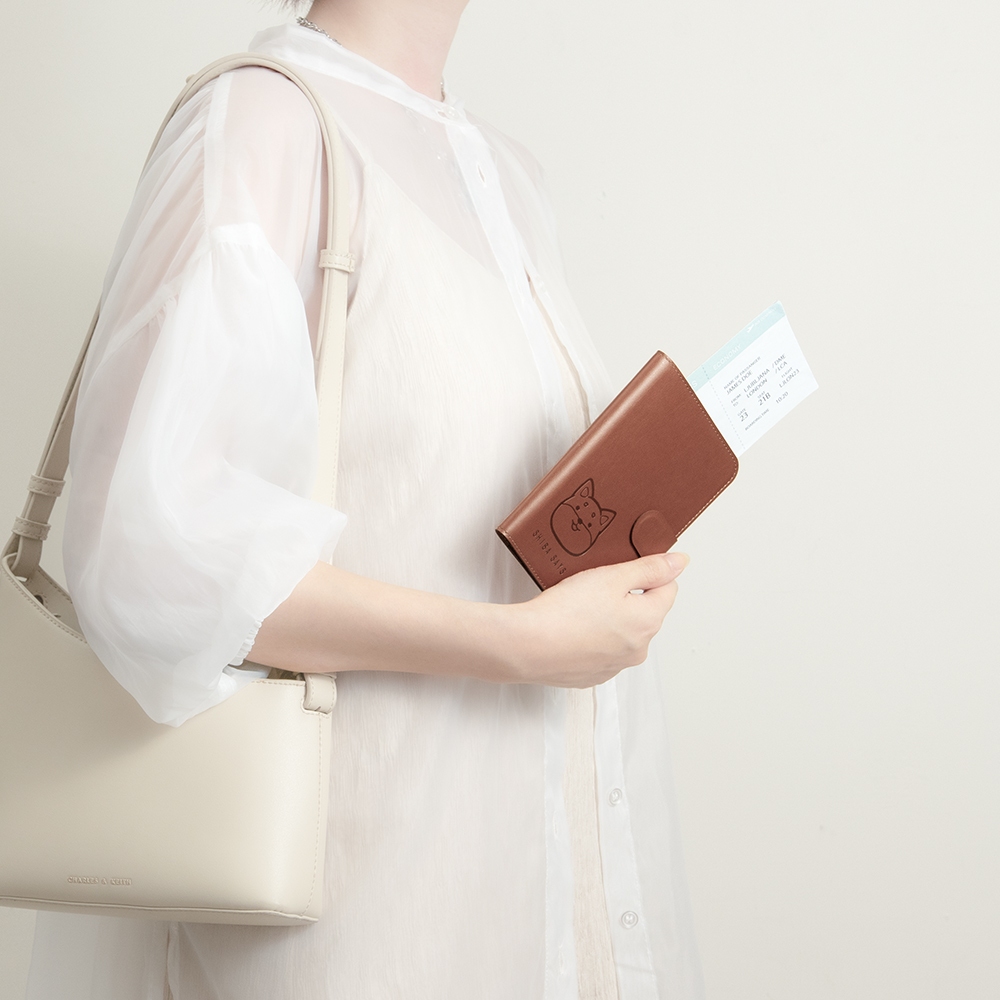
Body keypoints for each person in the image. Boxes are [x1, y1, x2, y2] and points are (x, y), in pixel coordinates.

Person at [25, 1, 703, 997]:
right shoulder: (264, 121)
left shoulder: (508, 172)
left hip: (548, 886)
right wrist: (517, 643)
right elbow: (152, 557)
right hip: (369, 906)